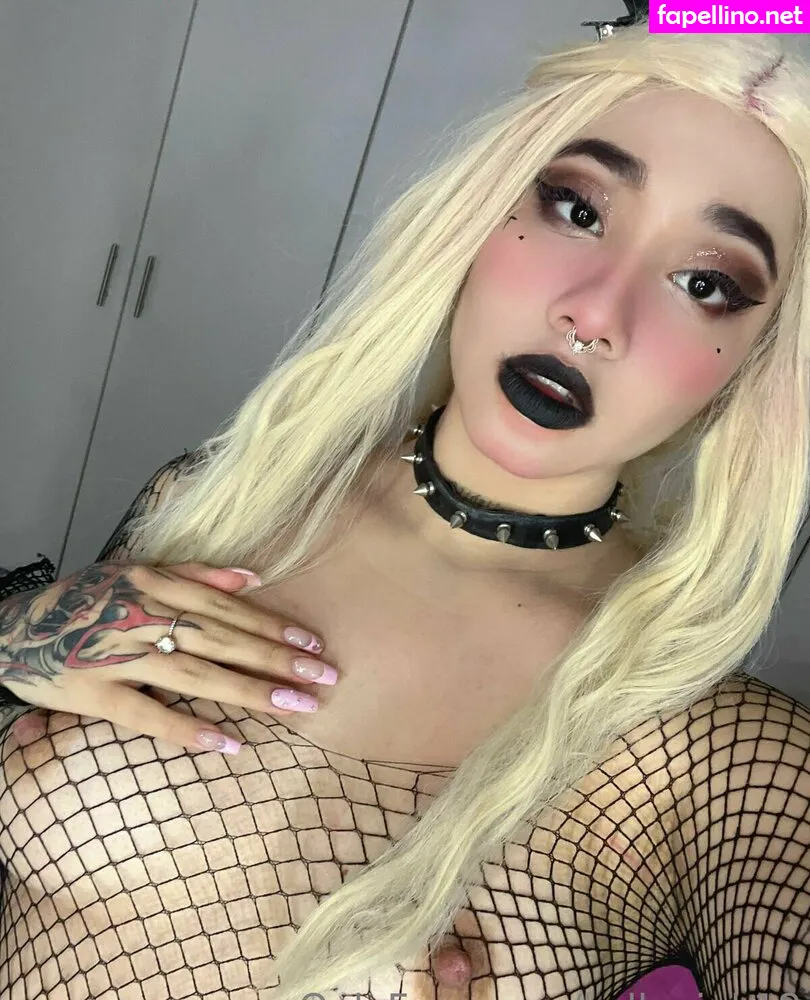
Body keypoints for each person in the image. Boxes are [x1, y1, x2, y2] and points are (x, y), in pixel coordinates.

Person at [0, 20, 809, 1000]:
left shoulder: (725, 759)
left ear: (758, 364)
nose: (594, 313)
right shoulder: (217, 498)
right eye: (578, 208)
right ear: (484, 210)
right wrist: (15, 639)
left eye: (705, 283)